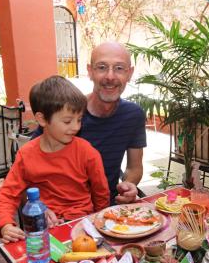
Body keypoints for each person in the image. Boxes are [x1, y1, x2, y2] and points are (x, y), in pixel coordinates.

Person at [0, 76, 110, 243]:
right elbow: (7, 194)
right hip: (43, 227)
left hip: (83, 225)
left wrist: (100, 223)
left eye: (79, 120)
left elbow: (101, 193)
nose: (76, 127)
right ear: (42, 119)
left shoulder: (87, 152)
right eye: (67, 121)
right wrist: (6, 224)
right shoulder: (26, 154)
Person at [32, 42, 147, 205]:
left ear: (130, 73)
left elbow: (134, 167)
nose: (110, 76)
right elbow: (25, 172)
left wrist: (128, 185)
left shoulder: (133, 115)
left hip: (108, 207)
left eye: (119, 68)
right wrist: (41, 206)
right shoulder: (65, 116)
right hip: (63, 210)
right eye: (101, 67)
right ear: (90, 71)